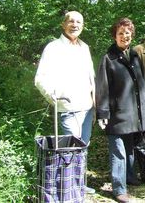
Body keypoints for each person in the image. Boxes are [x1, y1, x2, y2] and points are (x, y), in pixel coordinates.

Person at [35, 11, 96, 194]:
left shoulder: (84, 47)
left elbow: (91, 77)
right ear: (63, 24)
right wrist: (52, 96)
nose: (74, 25)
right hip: (67, 108)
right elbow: (40, 78)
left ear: (83, 26)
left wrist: (95, 103)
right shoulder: (53, 48)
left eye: (78, 22)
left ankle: (79, 184)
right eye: (71, 21)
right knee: (71, 150)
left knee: (83, 147)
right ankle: (69, 188)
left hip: (87, 108)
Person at [96, 18, 145, 203]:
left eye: (127, 33)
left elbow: (141, 84)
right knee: (118, 151)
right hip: (116, 113)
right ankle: (119, 189)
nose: (124, 36)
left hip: (133, 113)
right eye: (120, 33)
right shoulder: (108, 58)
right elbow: (102, 88)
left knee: (129, 148)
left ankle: (129, 176)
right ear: (114, 36)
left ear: (131, 35)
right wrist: (102, 113)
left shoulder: (134, 55)